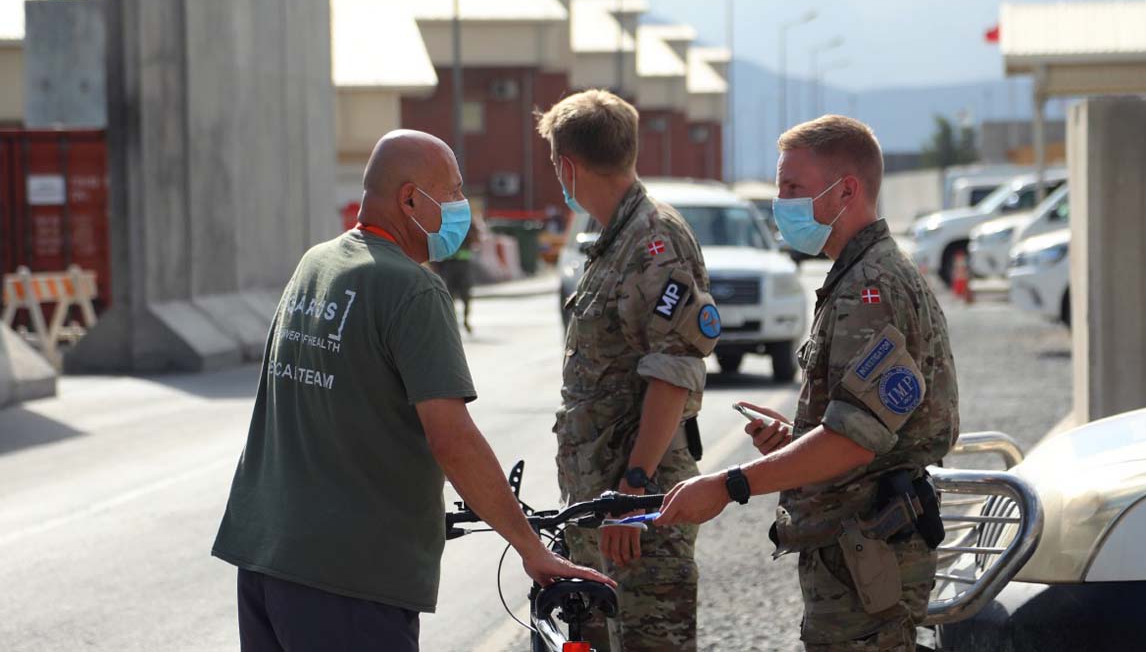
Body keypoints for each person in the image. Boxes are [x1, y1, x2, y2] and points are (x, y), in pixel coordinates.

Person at [211, 129, 611, 652]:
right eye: (452, 192)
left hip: (266, 557)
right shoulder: (412, 290)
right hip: (348, 581)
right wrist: (531, 548)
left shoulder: (317, 264)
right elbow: (453, 439)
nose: (460, 207)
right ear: (409, 199)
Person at [656, 115, 959, 651]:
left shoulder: (872, 286)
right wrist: (799, 438)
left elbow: (854, 441)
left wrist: (729, 485)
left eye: (793, 189)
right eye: (780, 189)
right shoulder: (858, 275)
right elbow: (855, 424)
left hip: (869, 554)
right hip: (853, 550)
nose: (781, 204)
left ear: (846, 190)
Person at [536, 89, 721, 652]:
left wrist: (632, 494)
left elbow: (673, 373)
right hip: (606, 512)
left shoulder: (652, 241)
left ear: (567, 166)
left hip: (638, 516)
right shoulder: (617, 238)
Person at [434, 220, 478, 333]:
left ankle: (465, 321)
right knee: (449, 297)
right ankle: (452, 323)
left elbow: (475, 239)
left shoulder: (467, 223)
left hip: (463, 267)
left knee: (466, 297)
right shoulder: (443, 224)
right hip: (449, 267)